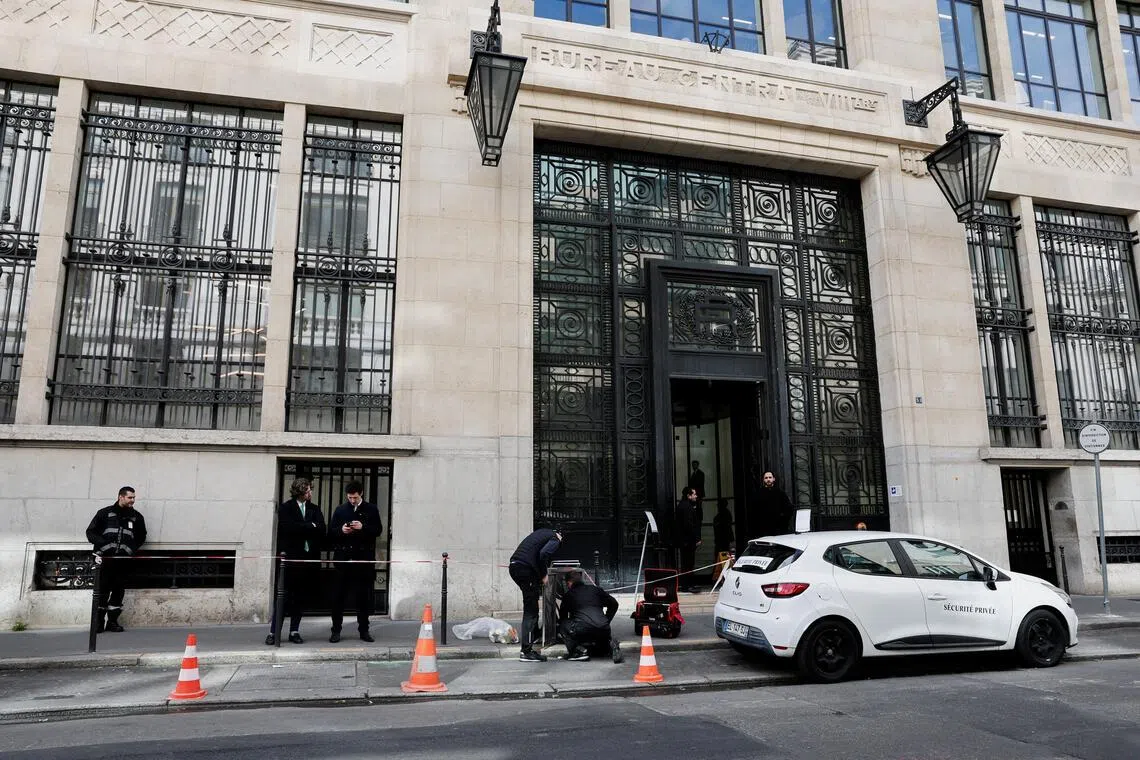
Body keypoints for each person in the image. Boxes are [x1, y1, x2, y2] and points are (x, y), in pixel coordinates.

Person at [266, 478, 325, 645]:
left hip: (307, 560)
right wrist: (309, 526)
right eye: (307, 491)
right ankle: (273, 632)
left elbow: (321, 528)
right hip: (290, 560)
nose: (310, 493)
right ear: (300, 492)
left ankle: (294, 630)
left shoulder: (314, 508)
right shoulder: (286, 508)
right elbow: (288, 528)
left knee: (300, 597)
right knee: (282, 598)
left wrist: (306, 526)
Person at [326, 481, 382, 643]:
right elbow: (331, 532)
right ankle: (336, 630)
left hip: (363, 560)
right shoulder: (340, 509)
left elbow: (378, 530)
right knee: (338, 598)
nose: (352, 500)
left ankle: (364, 630)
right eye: (350, 497)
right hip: (343, 561)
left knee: (363, 598)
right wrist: (342, 530)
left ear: (361, 494)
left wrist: (363, 527)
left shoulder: (371, 509)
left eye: (355, 497)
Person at [86, 486, 147, 633]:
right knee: (102, 591)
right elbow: (90, 532)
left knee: (118, 591)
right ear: (121, 497)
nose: (133, 500)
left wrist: (130, 549)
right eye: (130, 497)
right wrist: (103, 545)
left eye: (133, 497)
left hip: (123, 561)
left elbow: (141, 536)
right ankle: (98, 623)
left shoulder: (136, 517)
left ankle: (112, 622)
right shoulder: (104, 513)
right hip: (105, 560)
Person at [509, 526, 562, 662]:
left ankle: (535, 634)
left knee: (531, 603)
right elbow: (543, 554)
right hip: (525, 570)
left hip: (515, 566)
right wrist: (544, 575)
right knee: (531, 610)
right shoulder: (555, 538)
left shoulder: (541, 533)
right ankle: (526, 651)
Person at [557, 569, 622, 663]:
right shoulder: (595, 589)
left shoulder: (569, 595)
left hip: (583, 629)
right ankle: (611, 646)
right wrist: (607, 620)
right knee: (599, 638)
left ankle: (577, 652)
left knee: (563, 625)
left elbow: (563, 617)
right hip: (604, 628)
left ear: (569, 583)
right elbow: (614, 604)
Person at [749, 471, 794, 540]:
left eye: (770, 477)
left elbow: (788, 509)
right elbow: (754, 513)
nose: (768, 479)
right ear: (763, 480)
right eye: (766, 478)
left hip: (778, 530)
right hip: (763, 530)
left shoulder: (780, 493)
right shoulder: (758, 494)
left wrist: (782, 520)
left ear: (774, 479)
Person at [676, 486, 703, 592]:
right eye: (694, 494)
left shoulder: (682, 505)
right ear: (688, 495)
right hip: (688, 541)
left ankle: (686, 584)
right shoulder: (687, 507)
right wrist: (696, 539)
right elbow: (689, 525)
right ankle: (687, 585)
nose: (696, 496)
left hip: (685, 541)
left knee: (686, 563)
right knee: (688, 563)